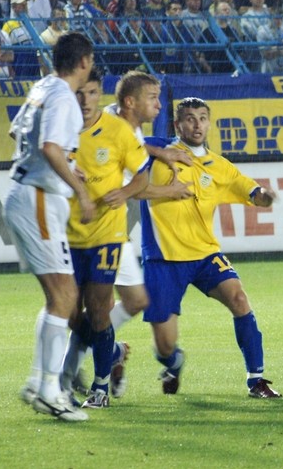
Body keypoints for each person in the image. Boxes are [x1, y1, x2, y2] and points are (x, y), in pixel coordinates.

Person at [60, 71, 195, 401]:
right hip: (83, 229)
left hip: (111, 230)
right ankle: (80, 368)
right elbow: (136, 188)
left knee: (129, 302)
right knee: (83, 311)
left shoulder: (129, 129)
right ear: (131, 102)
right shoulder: (105, 120)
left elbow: (134, 160)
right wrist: (171, 190)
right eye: (153, 98)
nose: (159, 105)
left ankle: (94, 361)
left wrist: (160, 154)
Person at [141, 97, 282, 399]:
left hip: (204, 254)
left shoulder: (219, 166)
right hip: (163, 258)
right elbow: (126, 143)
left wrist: (264, 196)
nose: (197, 125)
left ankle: (256, 380)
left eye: (202, 118)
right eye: (190, 119)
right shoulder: (157, 150)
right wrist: (162, 153)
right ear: (177, 124)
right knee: (164, 346)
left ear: (209, 123)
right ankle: (173, 363)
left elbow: (250, 189)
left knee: (239, 299)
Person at [5, 31, 95, 422]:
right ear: (84, 62)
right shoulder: (63, 97)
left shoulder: (42, 87)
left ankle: (38, 382)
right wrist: (80, 190)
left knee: (58, 297)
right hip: (39, 197)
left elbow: (18, 133)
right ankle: (49, 392)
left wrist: (68, 169)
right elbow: (49, 147)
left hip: (28, 192)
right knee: (66, 296)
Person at [61, 67, 150, 409]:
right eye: (79, 93)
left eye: (92, 93)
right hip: (68, 234)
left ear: (101, 94)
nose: (85, 101)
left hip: (106, 233)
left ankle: (99, 389)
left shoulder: (117, 130)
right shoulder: (59, 130)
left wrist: (124, 192)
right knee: (70, 314)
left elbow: (142, 174)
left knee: (99, 309)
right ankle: (111, 350)